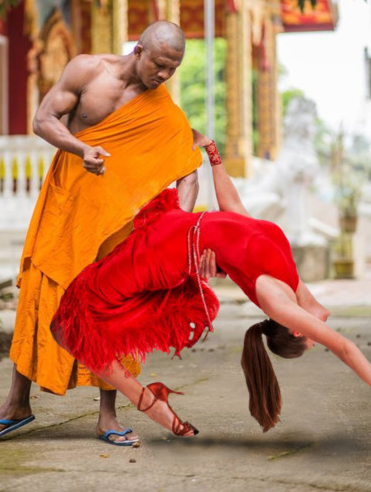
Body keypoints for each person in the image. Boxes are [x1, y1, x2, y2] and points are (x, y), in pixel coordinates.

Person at [50, 130, 371, 436]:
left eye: (313, 339)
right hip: (171, 228)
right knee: (74, 322)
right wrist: (213, 153)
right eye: (316, 340)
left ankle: (148, 404)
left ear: (296, 328)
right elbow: (235, 211)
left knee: (68, 327)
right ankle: (149, 401)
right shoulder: (289, 275)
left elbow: (344, 347)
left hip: (158, 254)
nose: (320, 335)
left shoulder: (275, 299)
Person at [0, 21, 202, 445]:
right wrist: (81, 149)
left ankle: (109, 418)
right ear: (139, 50)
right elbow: (43, 119)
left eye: (173, 69)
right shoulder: (86, 70)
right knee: (41, 296)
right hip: (67, 208)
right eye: (159, 64)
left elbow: (189, 175)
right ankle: (17, 403)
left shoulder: (163, 109)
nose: (164, 76)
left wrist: (171, 234)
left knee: (114, 310)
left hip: (118, 225)